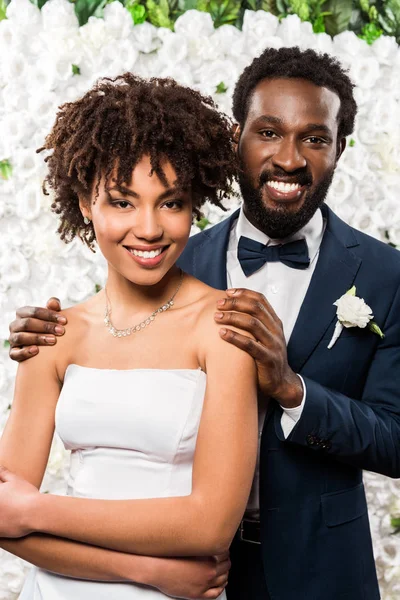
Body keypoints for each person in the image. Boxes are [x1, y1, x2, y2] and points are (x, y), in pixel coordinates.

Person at [7, 46, 400, 600]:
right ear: (237, 137)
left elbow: (396, 436)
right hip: (166, 571)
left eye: (314, 138)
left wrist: (292, 389)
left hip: (315, 564)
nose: (288, 158)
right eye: (268, 132)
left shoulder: (385, 274)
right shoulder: (164, 259)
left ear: (340, 148)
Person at [0, 73, 259, 599]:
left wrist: (38, 508)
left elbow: (209, 526)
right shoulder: (55, 335)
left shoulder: (224, 329)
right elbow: (4, 517)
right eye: (121, 202)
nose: (148, 228)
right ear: (84, 204)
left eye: (171, 202)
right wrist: (148, 572)